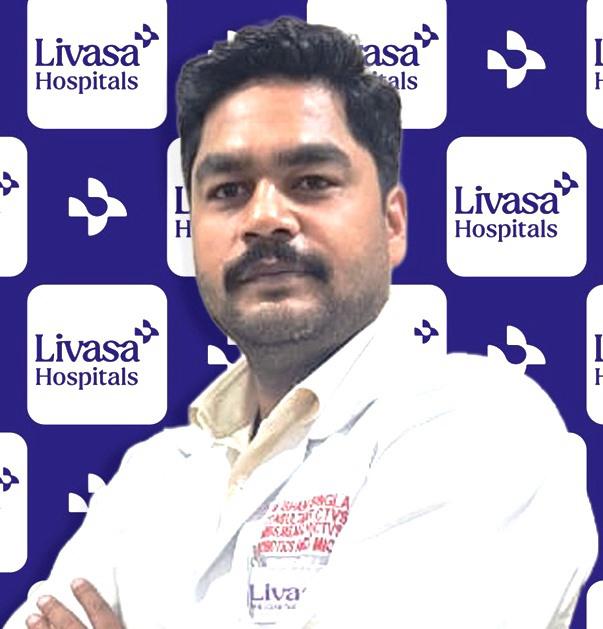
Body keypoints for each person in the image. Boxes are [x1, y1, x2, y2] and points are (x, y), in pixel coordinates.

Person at [7, 16, 597, 629]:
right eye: (228, 190)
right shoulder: (151, 477)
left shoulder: (483, 423)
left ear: (392, 223)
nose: (264, 217)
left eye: (311, 182)